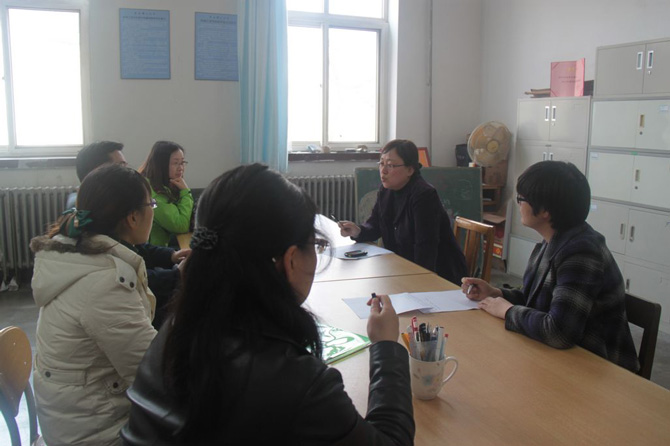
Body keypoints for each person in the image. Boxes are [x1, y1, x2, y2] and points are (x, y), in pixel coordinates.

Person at [121, 164, 415, 444]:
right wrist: (386, 347)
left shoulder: (174, 331)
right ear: (290, 259)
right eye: (315, 245)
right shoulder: (296, 382)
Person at [462, 161, 640, 372]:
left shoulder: (582, 252)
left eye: (521, 199)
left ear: (545, 210)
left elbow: (559, 332)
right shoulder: (552, 242)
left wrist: (507, 311)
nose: (518, 205)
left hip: (601, 369)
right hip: (563, 358)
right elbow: (535, 299)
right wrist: (495, 293)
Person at [30, 164, 158, 445]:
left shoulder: (75, 253)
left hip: (72, 417)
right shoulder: (104, 282)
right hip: (95, 433)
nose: (153, 210)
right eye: (151, 204)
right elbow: (154, 375)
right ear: (132, 217)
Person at [70, 141, 190, 328]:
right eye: (120, 167)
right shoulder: (91, 224)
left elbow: (134, 250)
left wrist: (172, 256)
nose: (129, 173)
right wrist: (175, 276)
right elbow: (127, 279)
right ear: (99, 174)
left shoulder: (96, 213)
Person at [339, 139, 467, 284]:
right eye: (381, 163)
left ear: (410, 170)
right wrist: (357, 231)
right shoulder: (386, 191)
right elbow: (374, 226)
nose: (383, 170)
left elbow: (425, 248)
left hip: (439, 275)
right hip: (401, 268)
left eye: (390, 165)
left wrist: (417, 280)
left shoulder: (424, 195)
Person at [139, 141, 194, 247]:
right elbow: (180, 225)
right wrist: (186, 192)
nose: (181, 168)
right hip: (151, 252)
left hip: (161, 247)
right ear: (161, 165)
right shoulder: (151, 195)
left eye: (182, 162)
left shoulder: (163, 185)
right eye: (175, 163)